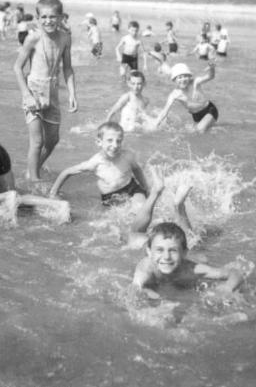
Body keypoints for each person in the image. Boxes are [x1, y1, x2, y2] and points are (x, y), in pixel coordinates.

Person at [130, 167, 243, 299]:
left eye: (172, 251)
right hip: (151, 244)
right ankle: (156, 192)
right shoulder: (146, 269)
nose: (166, 257)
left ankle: (179, 205)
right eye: (160, 250)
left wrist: (226, 288)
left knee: (192, 243)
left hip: (179, 251)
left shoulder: (191, 269)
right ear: (148, 252)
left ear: (184, 253)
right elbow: (134, 290)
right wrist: (159, 301)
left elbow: (235, 273)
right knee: (135, 233)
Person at [14, 0, 77, 181]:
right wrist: (26, 95)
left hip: (53, 91)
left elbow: (67, 68)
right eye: (43, 17)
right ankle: (34, 180)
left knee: (53, 140)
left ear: (60, 17)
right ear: (37, 18)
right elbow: (17, 67)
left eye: (52, 17)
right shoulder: (33, 38)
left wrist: (73, 93)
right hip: (33, 91)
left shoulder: (65, 38)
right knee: (37, 141)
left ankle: (32, 169)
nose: (48, 21)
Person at [48, 121, 149, 207]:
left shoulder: (127, 156)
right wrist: (53, 192)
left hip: (132, 187)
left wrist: (145, 187)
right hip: (111, 196)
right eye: (110, 140)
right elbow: (67, 172)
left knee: (140, 207)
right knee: (121, 217)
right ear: (99, 142)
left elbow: (136, 169)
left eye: (119, 141)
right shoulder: (95, 162)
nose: (115, 145)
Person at [154, 62, 218, 133]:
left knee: (200, 129)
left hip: (209, 110)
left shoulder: (195, 82)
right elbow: (165, 111)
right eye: (179, 77)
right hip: (196, 115)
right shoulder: (175, 94)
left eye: (185, 76)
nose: (183, 79)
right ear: (174, 80)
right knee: (198, 133)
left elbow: (210, 76)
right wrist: (155, 125)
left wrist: (212, 68)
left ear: (189, 76)